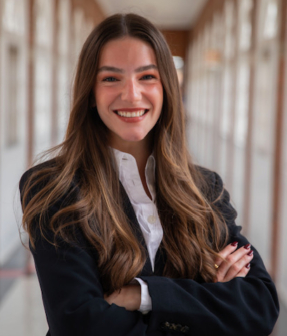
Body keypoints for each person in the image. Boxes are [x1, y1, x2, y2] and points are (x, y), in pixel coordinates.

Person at [19, 13, 279, 336]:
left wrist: (142, 295)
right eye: (111, 79)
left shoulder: (206, 190)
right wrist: (206, 304)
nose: (131, 94)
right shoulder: (54, 187)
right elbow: (81, 325)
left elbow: (260, 306)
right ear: (89, 93)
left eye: (147, 77)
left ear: (167, 87)